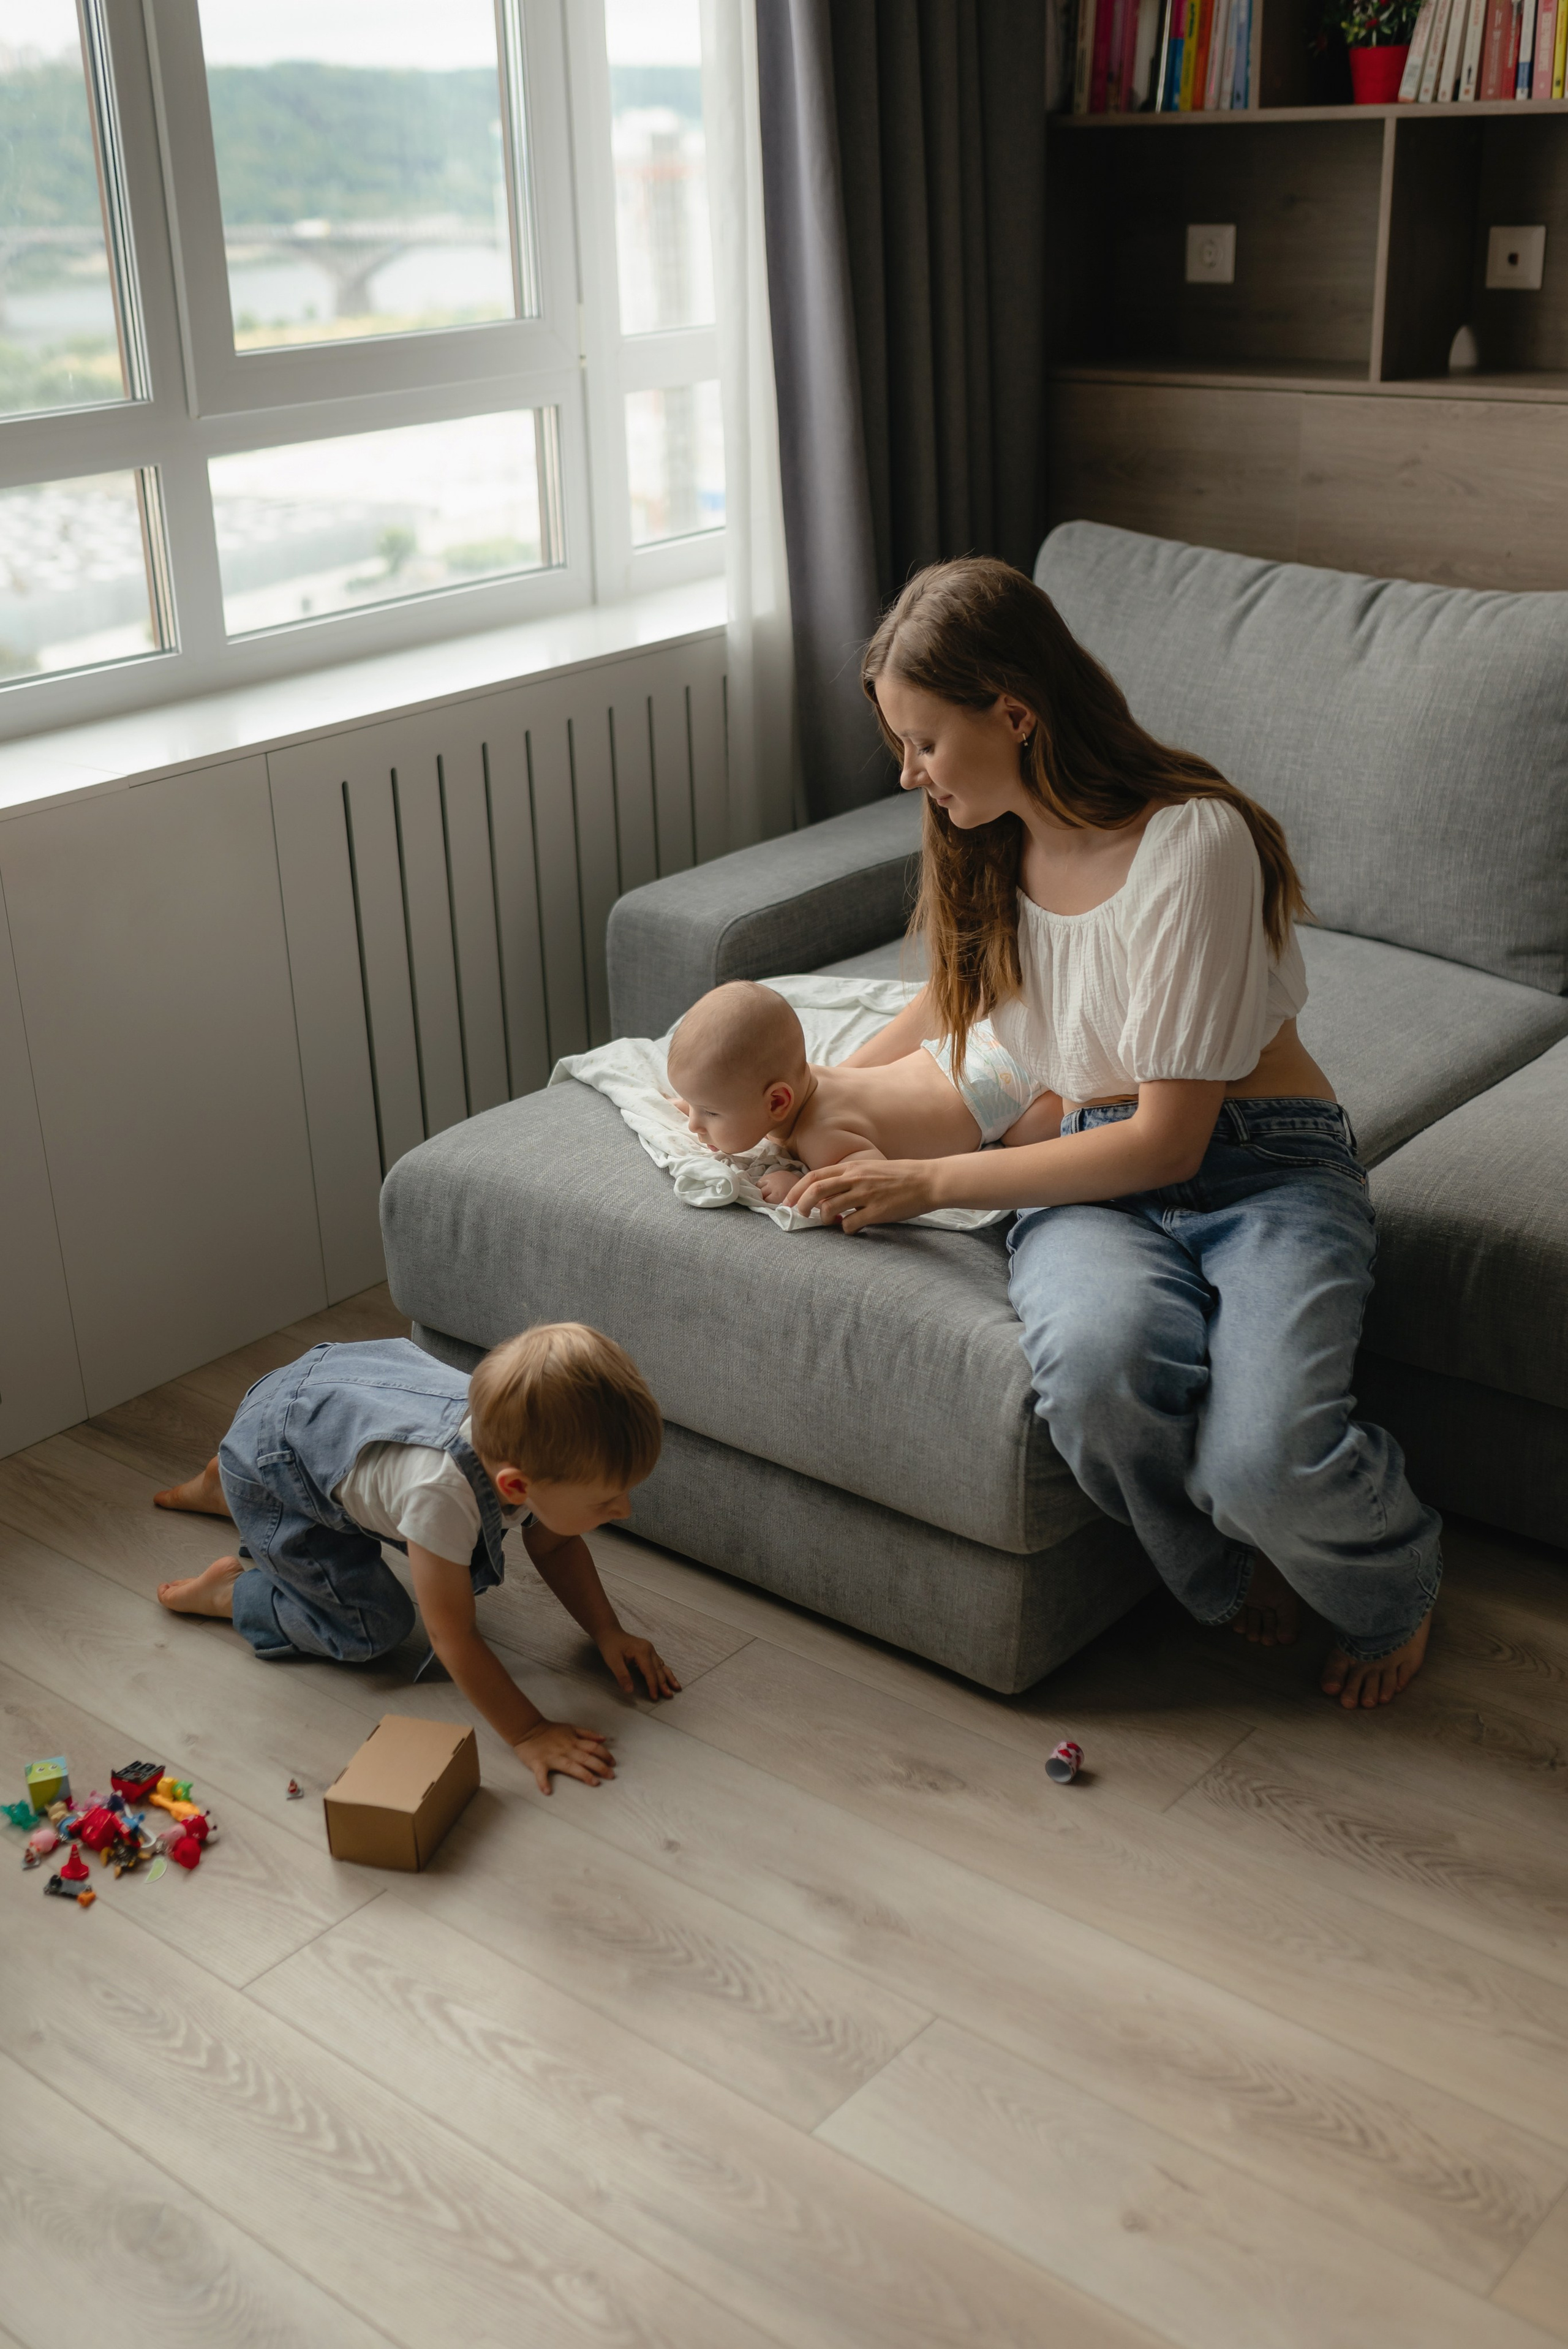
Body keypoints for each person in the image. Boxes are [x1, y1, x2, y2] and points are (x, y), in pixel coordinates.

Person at [785, 557, 1441, 1710]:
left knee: (1263, 1461)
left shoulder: (1195, 844)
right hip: (1087, 1173)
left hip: (1262, 1167)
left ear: (1015, 714)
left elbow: (1168, 1144)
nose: (908, 773)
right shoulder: (986, 840)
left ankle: (1396, 1580)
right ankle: (1225, 1568)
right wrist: (815, 1092)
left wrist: (928, 1180)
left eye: (924, 742)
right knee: (1096, 1379)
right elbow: (957, 993)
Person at [153, 1323, 679, 1790]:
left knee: (284, 1463)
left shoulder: (523, 1437)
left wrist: (607, 1630)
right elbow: (454, 1637)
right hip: (281, 1457)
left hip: (313, 1397)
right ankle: (232, 1588)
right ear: (516, 1486)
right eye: (606, 1501)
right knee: (372, 1627)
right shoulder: (441, 1495)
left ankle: (227, 1480)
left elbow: (555, 1542)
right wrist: (530, 1732)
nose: (625, 1510)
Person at [666, 976, 1061, 1205]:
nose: (695, 1125)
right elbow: (736, 1091)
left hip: (1007, 1089)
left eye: (710, 1112)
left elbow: (870, 1184)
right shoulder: (804, 1080)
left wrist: (800, 1187)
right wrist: (702, 1103)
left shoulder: (823, 1138)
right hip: (970, 1046)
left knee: (1024, 1135)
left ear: (778, 1101)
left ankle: (1088, 1094)